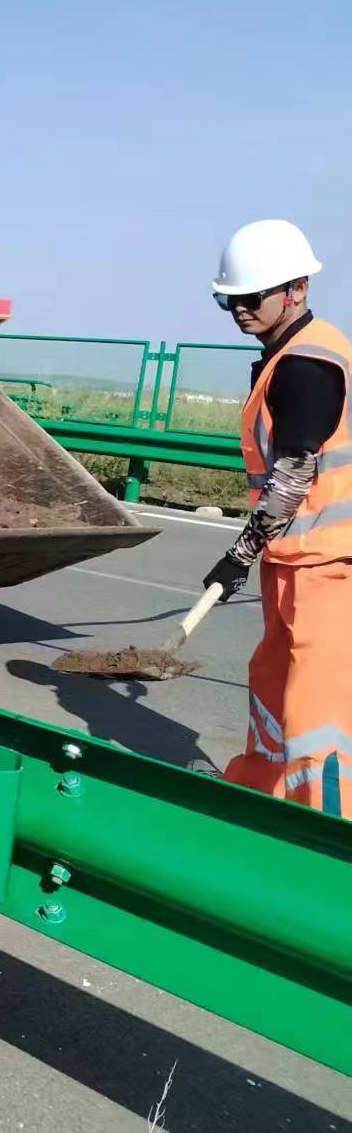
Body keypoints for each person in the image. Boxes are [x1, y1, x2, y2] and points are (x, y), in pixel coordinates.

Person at [202, 219, 350, 816]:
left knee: (317, 713)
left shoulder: (306, 367)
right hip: (297, 556)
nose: (238, 309)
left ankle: (324, 834)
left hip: (331, 563)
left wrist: (238, 555)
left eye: (249, 297)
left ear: (296, 290)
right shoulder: (282, 356)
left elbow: (293, 475)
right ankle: (257, 804)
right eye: (227, 299)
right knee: (272, 685)